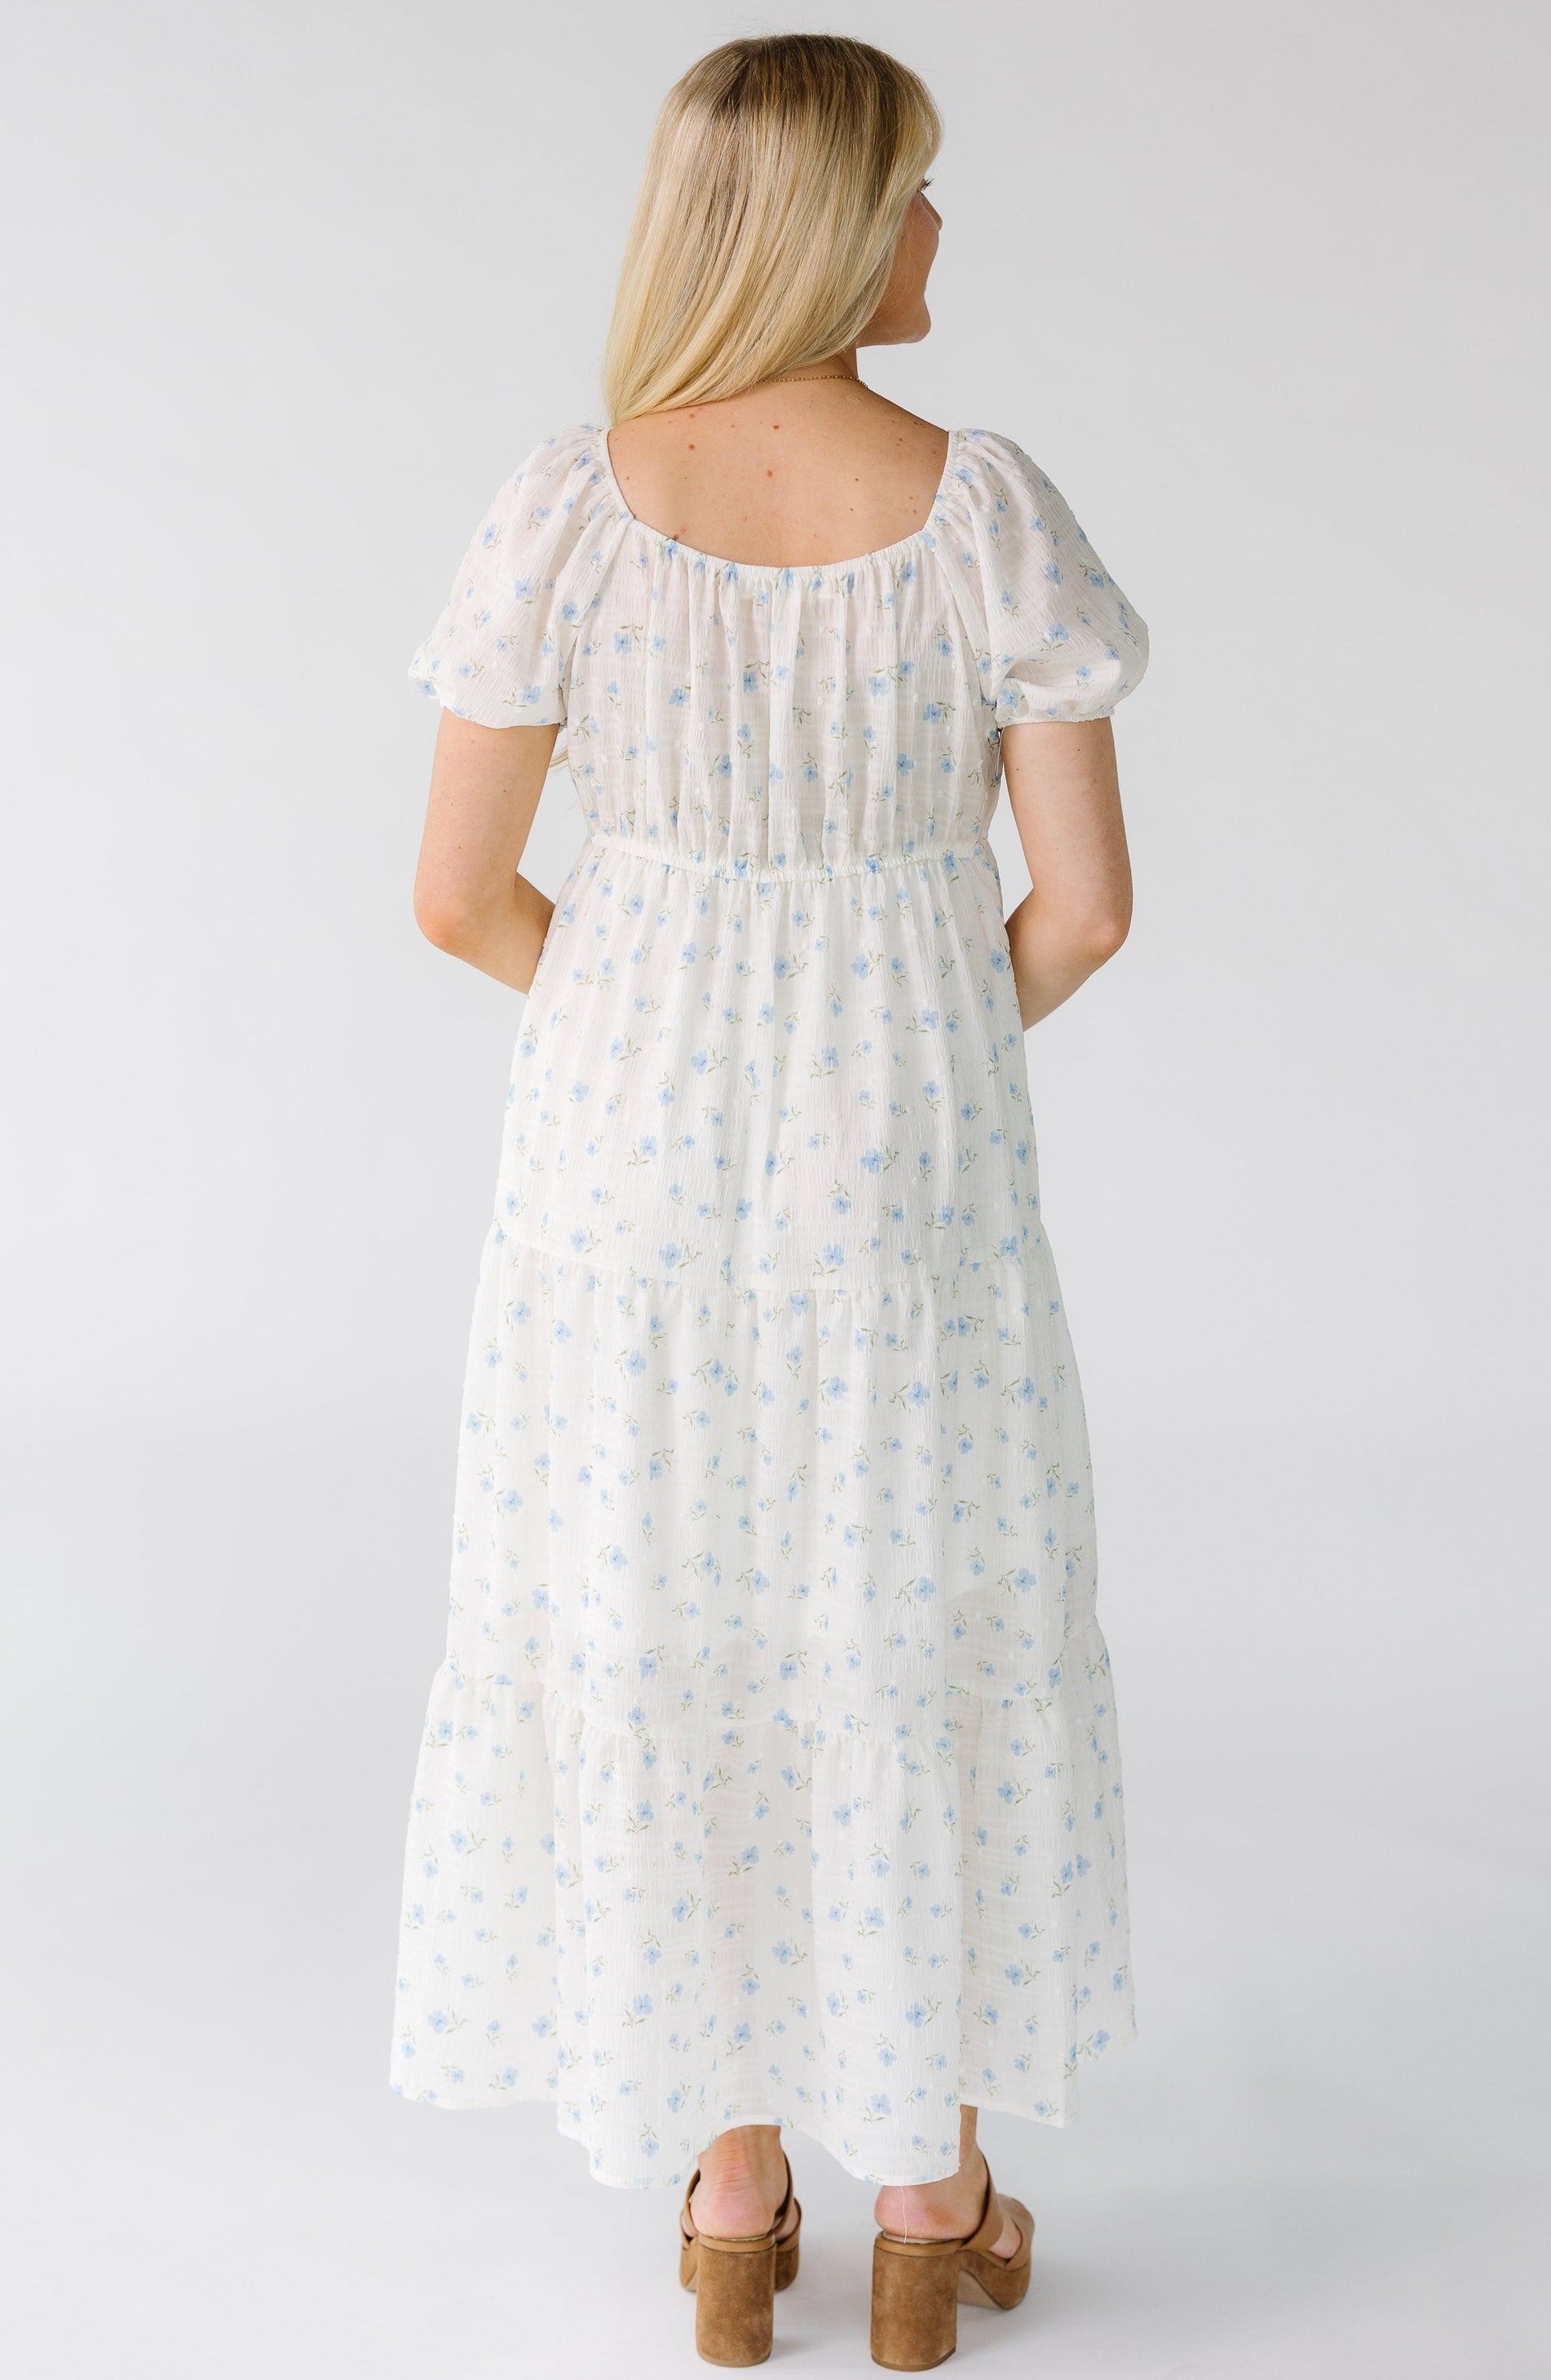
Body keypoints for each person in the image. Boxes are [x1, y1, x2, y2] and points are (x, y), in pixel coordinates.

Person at [393, 32, 1149, 2369]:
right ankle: (924, 2200)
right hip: (903, 1175)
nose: (936, 237)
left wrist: (655, 1034)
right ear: (828, 229)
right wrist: (878, 1060)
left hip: (614, 1165)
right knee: (898, 1609)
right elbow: (1087, 909)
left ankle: (732, 2202)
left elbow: (452, 900)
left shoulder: (564, 507)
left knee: (657, 1603)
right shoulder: (982, 503)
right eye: (915, 198)